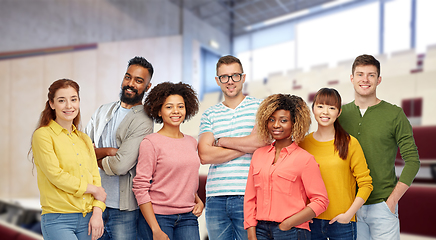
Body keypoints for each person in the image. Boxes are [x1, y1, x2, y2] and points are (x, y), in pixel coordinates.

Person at [338, 54, 420, 240]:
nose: (365, 80)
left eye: (371, 75)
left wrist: (392, 201)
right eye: (360, 74)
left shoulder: (394, 114)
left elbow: (413, 161)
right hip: (350, 208)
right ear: (352, 79)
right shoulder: (341, 115)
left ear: (379, 79)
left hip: (382, 206)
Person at [198, 55, 267, 240]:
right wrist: (247, 145)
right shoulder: (209, 114)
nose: (230, 81)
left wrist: (220, 141)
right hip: (215, 197)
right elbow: (204, 155)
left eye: (235, 76)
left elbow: (261, 142)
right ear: (217, 81)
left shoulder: (260, 107)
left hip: (248, 195)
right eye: (224, 77)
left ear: (243, 77)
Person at [85, 56, 154, 240]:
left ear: (147, 87)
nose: (130, 84)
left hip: (123, 210)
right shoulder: (102, 111)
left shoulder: (144, 120)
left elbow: (120, 166)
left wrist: (91, 157)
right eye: (128, 77)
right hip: (93, 203)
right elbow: (79, 150)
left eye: (139, 81)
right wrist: (108, 152)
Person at [244, 94, 329, 240]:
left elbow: (321, 201)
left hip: (292, 231)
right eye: (272, 120)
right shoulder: (258, 155)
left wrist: (288, 223)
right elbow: (250, 198)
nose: (276, 125)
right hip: (260, 231)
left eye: (283, 120)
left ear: (295, 123)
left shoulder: (305, 159)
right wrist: (251, 233)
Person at [31, 79, 106, 240]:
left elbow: (96, 178)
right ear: (52, 104)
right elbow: (55, 175)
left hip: (89, 219)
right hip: (58, 219)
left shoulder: (84, 139)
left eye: (73, 99)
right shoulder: (43, 135)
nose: (69, 106)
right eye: (61, 100)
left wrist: (98, 212)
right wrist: (92, 189)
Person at [299, 88, 373, 240]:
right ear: (313, 109)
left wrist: (348, 215)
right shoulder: (303, 143)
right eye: (320, 106)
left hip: (342, 222)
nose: (325, 112)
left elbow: (366, 184)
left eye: (331, 108)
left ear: (338, 112)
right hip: (310, 221)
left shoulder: (350, 143)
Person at [133, 82, 204, 240]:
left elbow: (184, 178)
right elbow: (140, 187)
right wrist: (155, 229)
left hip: (188, 217)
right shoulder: (150, 143)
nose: (176, 111)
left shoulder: (192, 142)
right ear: (159, 111)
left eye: (180, 106)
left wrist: (198, 200)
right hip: (159, 217)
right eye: (169, 107)